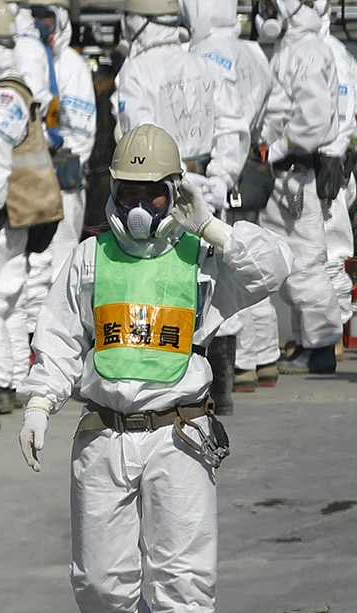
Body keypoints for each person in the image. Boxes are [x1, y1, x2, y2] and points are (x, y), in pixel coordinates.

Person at [17, 124, 292, 613]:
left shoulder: (201, 259)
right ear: (114, 192)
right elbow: (61, 335)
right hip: (104, 435)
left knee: (182, 588)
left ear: (175, 191)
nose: (142, 206)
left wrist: (212, 225)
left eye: (154, 193)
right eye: (131, 193)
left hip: (179, 437)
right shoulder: (91, 257)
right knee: (100, 589)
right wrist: (41, 403)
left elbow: (276, 267)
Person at [112, 0, 249, 410]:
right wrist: (222, 176)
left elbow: (134, 138)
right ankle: (221, 389)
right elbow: (233, 125)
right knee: (216, 281)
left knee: (166, 284)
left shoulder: (135, 72)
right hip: (207, 185)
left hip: (163, 191)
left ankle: (170, 384)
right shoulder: (205, 65)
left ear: (137, 22)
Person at [0, 0, 58, 414]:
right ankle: (19, 377)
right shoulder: (16, 87)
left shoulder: (1, 96)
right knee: (12, 300)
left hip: (3, 214)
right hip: (22, 213)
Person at [182, 0, 278, 403]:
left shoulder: (204, 54)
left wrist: (215, 174)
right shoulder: (253, 52)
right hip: (249, 166)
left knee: (218, 272)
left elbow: (218, 119)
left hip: (211, 174)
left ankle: (232, 374)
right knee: (248, 258)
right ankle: (258, 361)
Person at [253, 0, 345, 375]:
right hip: (283, 176)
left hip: (292, 175)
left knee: (306, 261)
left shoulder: (305, 52)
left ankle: (320, 348)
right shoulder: (290, 49)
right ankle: (308, 344)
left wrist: (272, 151)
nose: (263, 14)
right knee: (290, 264)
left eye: (269, 5)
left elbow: (312, 121)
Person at [20, 0, 98, 349]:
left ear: (61, 19)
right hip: (28, 180)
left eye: (46, 16)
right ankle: (30, 339)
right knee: (30, 264)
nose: (40, 24)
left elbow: (82, 132)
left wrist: (60, 160)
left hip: (61, 181)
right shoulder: (21, 58)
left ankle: (60, 342)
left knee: (63, 262)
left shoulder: (72, 66)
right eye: (34, 16)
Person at [316, 0, 357, 343]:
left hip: (329, 173)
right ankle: (319, 337)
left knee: (330, 255)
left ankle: (332, 335)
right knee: (316, 257)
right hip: (329, 171)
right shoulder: (337, 55)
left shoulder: (332, 56)